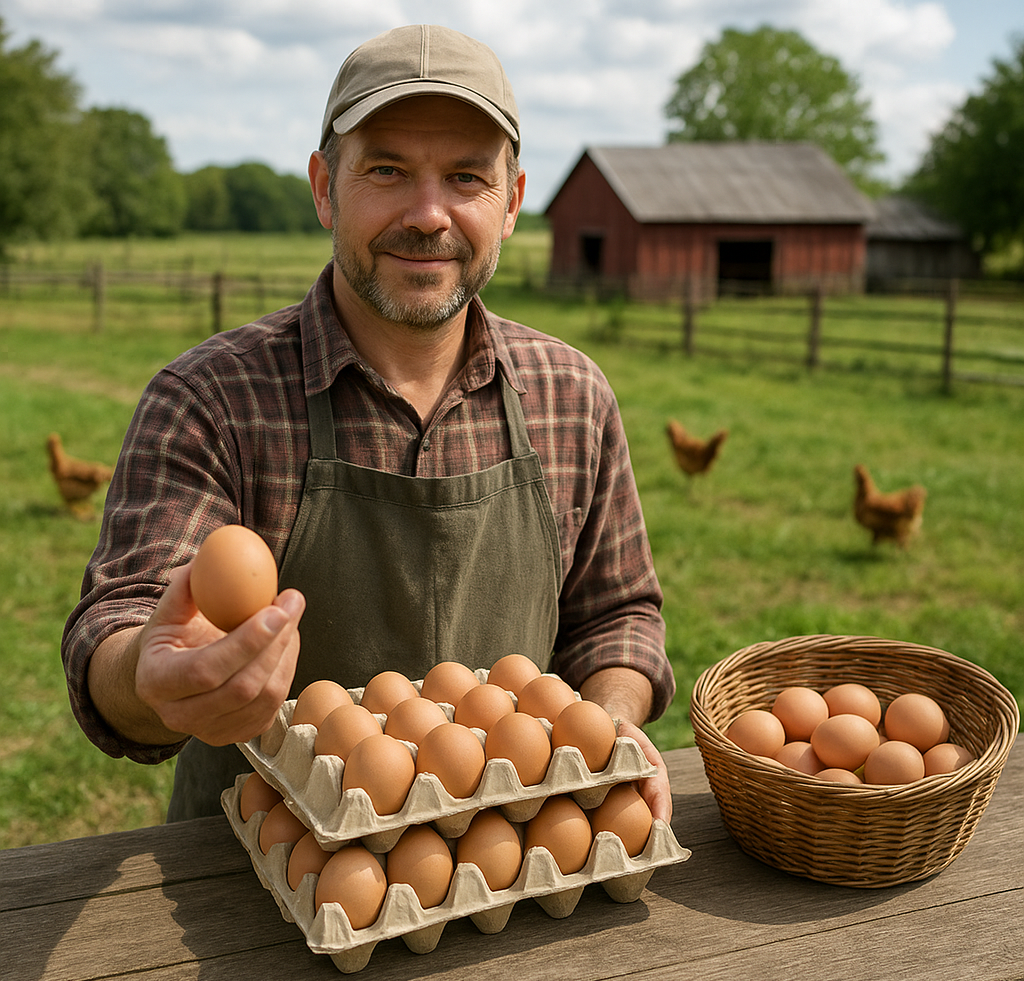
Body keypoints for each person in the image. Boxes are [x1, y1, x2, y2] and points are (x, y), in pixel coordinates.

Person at [62, 24, 676, 824]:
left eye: (466, 177)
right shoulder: (212, 400)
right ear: (324, 188)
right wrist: (151, 676)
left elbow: (617, 616)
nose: (428, 215)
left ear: (513, 203)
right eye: (386, 171)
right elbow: (121, 627)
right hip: (254, 880)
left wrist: (608, 723)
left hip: (520, 865)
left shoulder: (572, 396)